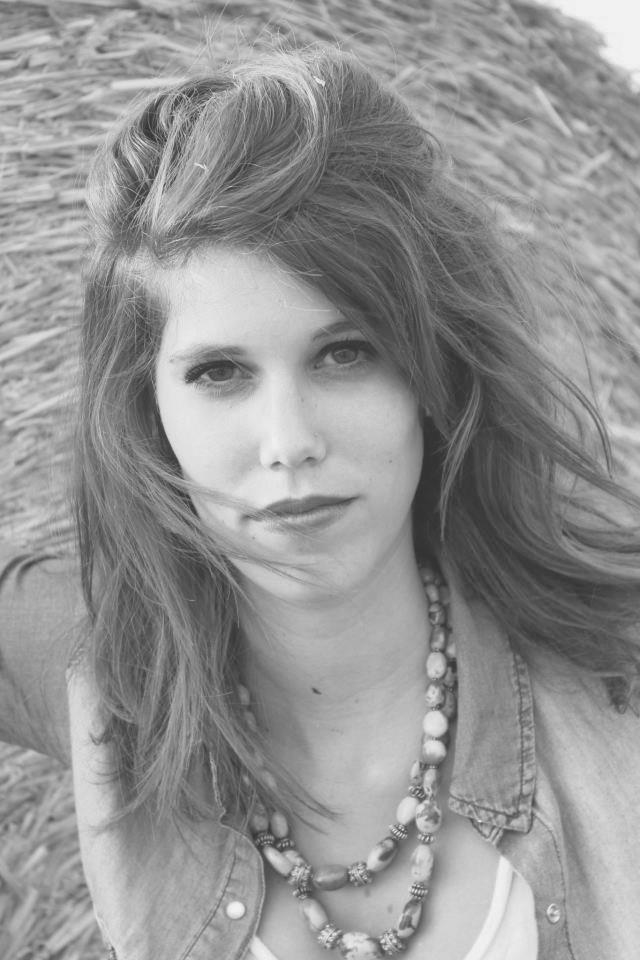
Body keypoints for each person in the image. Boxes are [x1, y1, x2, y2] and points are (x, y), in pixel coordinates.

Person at [1, 43, 639, 960]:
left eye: (345, 354)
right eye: (219, 373)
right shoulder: (106, 671)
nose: (288, 440)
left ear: (432, 372)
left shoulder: (615, 684)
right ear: (148, 412)